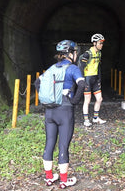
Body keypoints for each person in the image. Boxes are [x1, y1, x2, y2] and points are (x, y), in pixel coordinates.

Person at [34, 40, 86, 188]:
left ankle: (49, 178)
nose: (76, 55)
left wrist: (46, 98)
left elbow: (37, 83)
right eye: (75, 52)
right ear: (70, 54)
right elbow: (82, 84)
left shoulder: (51, 68)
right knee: (63, 145)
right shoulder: (73, 68)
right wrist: (75, 101)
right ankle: (63, 181)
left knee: (49, 143)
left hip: (50, 111)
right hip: (65, 111)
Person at [79, 33, 106, 127]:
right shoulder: (87, 54)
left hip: (95, 79)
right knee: (87, 100)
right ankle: (86, 120)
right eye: (100, 43)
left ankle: (95, 118)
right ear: (94, 43)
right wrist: (81, 80)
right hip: (87, 78)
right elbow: (81, 67)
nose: (101, 45)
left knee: (99, 98)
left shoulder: (99, 53)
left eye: (102, 43)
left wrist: (99, 79)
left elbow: (98, 67)